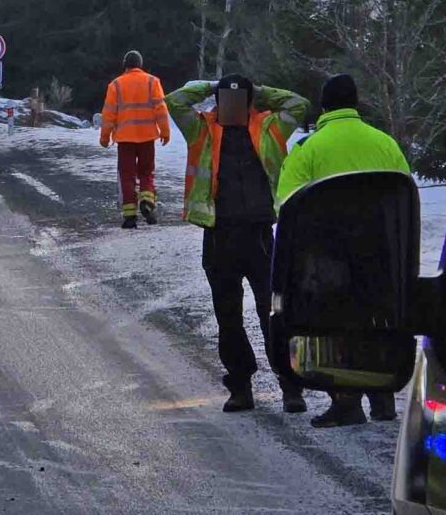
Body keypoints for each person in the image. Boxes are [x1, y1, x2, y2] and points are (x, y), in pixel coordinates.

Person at [166, 74, 310, 415]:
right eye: (225, 100)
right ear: (218, 101)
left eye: (238, 100)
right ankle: (240, 387)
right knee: (228, 318)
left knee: (274, 313)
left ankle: (290, 386)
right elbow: (174, 101)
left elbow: (299, 104)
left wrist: (257, 91)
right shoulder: (202, 129)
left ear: (249, 102)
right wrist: (210, 85)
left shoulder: (269, 127)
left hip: (260, 236)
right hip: (220, 236)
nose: (230, 107)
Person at [277, 73, 412, 429]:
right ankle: (382, 396)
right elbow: (404, 194)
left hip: (329, 256)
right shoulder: (384, 143)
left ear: (323, 107)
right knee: (373, 317)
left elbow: (286, 204)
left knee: (335, 324)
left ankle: (346, 400)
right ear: (356, 102)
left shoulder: (308, 148)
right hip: (379, 252)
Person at [98, 50, 171, 228]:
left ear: (125, 65)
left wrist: (105, 137)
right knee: (146, 172)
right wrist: (165, 131)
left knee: (127, 176)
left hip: (125, 139)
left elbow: (108, 114)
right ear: (140, 64)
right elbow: (161, 109)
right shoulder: (152, 82)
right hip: (147, 137)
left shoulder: (115, 85)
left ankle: (130, 217)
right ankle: (147, 201)